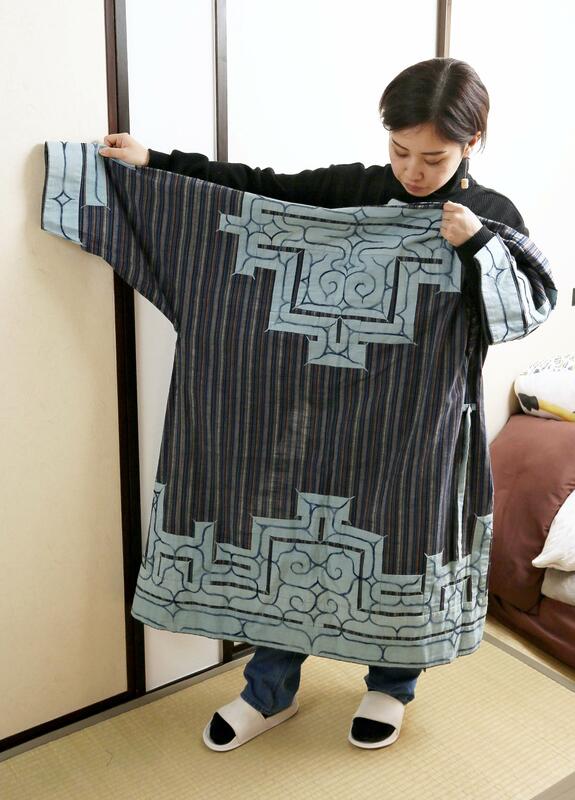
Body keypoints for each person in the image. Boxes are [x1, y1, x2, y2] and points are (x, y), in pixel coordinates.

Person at [99, 57, 532, 751]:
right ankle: (267, 693)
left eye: (432, 158)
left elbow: (521, 311)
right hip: (316, 415)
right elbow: (257, 194)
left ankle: (391, 688)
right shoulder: (351, 188)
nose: (412, 172)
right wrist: (157, 162)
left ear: (471, 142)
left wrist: (477, 245)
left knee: (401, 543)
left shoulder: (491, 216)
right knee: (289, 537)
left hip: (417, 425)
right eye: (399, 151)